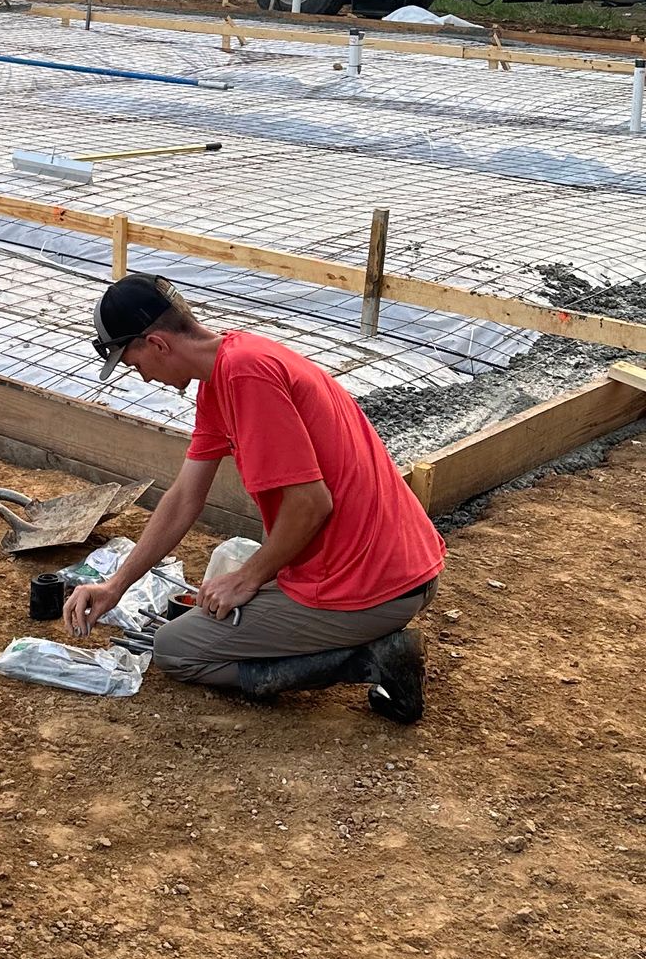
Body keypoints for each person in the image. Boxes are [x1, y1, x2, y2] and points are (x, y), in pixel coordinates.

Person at [65, 273, 443, 721]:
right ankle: (359, 639)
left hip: (368, 585)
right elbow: (186, 496)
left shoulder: (245, 375)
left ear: (158, 344)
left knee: (177, 649)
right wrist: (115, 585)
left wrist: (248, 578)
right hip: (395, 566)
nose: (142, 376)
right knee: (228, 582)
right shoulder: (228, 369)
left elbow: (311, 504)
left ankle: (372, 659)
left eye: (133, 363)